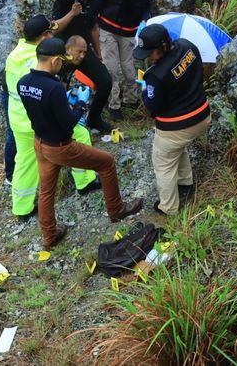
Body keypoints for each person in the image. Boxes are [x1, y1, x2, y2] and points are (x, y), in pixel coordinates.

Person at [17, 37, 143, 248]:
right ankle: (116, 210)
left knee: (46, 191)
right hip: (61, 145)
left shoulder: (24, 83)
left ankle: (49, 235)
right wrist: (81, 105)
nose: (62, 65)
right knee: (107, 162)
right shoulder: (53, 87)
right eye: (61, 61)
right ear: (55, 60)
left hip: (40, 143)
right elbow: (68, 124)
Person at [5, 15, 101, 221]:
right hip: (39, 119)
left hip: (18, 118)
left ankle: (22, 208)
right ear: (42, 37)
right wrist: (73, 105)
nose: (52, 35)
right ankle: (85, 182)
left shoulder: (15, 54)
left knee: (24, 161)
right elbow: (46, 90)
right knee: (81, 134)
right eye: (49, 33)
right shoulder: (39, 60)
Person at [133, 24, 211, 216]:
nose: (148, 57)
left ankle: (168, 208)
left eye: (151, 52)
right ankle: (185, 183)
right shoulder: (188, 47)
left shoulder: (156, 75)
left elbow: (152, 105)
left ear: (164, 46)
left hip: (176, 126)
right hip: (202, 114)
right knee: (177, 148)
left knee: (163, 164)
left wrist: (145, 90)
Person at [96, 0, 155, 122]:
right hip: (108, 27)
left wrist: (145, 19)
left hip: (129, 31)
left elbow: (147, 4)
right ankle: (113, 105)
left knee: (129, 70)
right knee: (111, 69)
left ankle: (131, 100)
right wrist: (93, 17)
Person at [52, 0, 113, 132]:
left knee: (105, 81)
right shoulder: (63, 2)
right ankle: (61, 120)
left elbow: (93, 28)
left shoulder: (94, 2)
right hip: (64, 52)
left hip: (84, 52)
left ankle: (94, 118)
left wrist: (99, 54)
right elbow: (55, 28)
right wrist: (72, 13)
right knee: (58, 88)